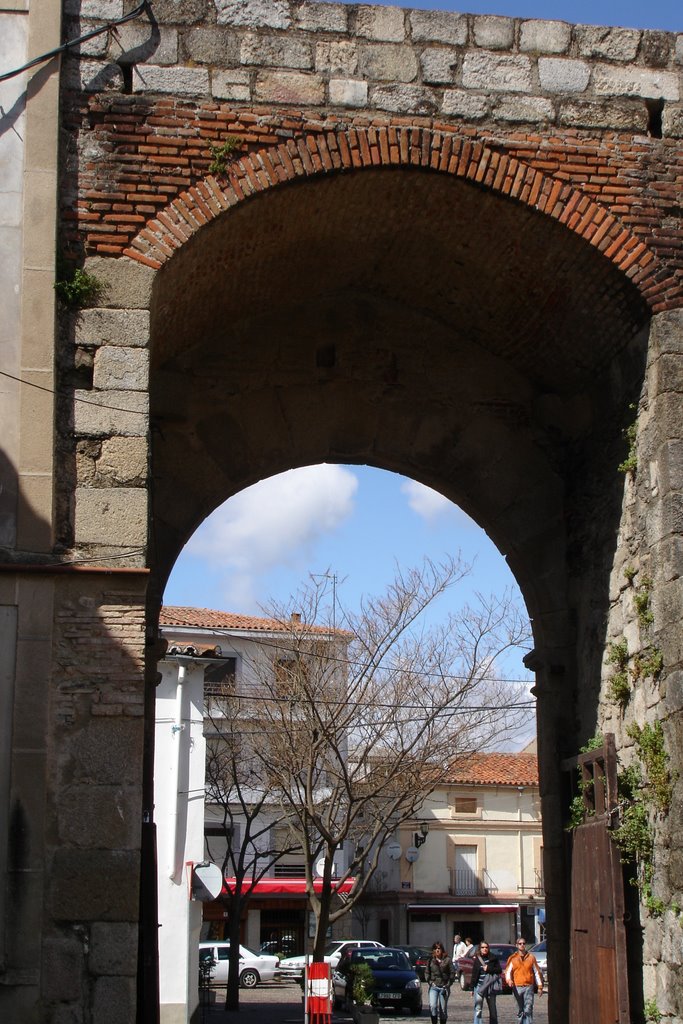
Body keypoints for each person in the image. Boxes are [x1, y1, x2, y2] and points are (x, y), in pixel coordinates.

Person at [504, 936, 544, 1024]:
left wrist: (540, 986)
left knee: (528, 1010)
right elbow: (507, 972)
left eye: (523, 943)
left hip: (528, 987)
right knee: (520, 1010)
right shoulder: (512, 958)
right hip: (517, 987)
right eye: (520, 943)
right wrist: (509, 980)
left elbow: (537, 972)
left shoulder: (531, 957)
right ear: (517, 945)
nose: (522, 945)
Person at [471, 940, 502, 1024]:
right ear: (480, 949)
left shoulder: (493, 958)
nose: (484, 949)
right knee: (478, 1009)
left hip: (490, 987)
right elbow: (474, 974)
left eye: (486, 947)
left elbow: (499, 970)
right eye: (482, 947)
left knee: (492, 1010)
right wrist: (472, 988)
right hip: (479, 987)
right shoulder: (477, 959)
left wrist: (489, 969)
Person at [425, 941, 455, 1024]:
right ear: (433, 950)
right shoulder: (430, 960)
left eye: (439, 948)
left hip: (444, 987)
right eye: (435, 948)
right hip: (434, 986)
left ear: (442, 949)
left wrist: (448, 984)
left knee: (443, 1010)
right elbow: (427, 973)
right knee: (433, 1006)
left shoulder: (447, 960)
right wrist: (430, 982)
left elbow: (452, 973)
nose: (437, 950)